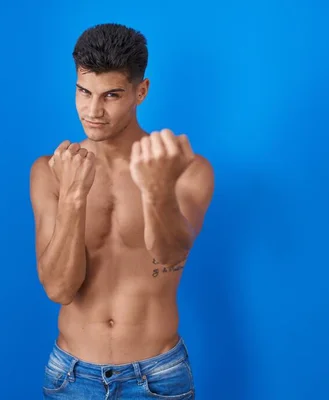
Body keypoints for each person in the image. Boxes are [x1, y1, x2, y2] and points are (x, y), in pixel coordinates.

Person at [29, 22, 215, 399]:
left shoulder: (185, 168)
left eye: (111, 95)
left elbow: (170, 253)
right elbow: (59, 288)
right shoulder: (50, 170)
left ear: (140, 91)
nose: (93, 110)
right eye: (84, 92)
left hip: (157, 374)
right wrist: (75, 196)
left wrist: (157, 190)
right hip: (71, 374)